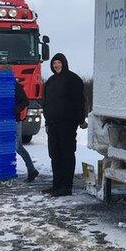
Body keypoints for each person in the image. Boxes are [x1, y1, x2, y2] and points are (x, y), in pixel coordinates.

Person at [42, 53, 86, 197]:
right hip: (53, 124)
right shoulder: (50, 82)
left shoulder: (73, 79)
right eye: (54, 63)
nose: (56, 65)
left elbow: (79, 101)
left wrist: (80, 119)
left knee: (66, 155)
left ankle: (66, 187)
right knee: (54, 155)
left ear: (64, 63)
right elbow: (46, 103)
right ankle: (56, 185)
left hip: (67, 124)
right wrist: (47, 121)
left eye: (59, 63)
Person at [14, 77, 38, 182]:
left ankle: (31, 170)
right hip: (4, 122)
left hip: (15, 121)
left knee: (18, 147)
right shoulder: (0, 86)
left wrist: (17, 109)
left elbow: (25, 101)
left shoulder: (16, 87)